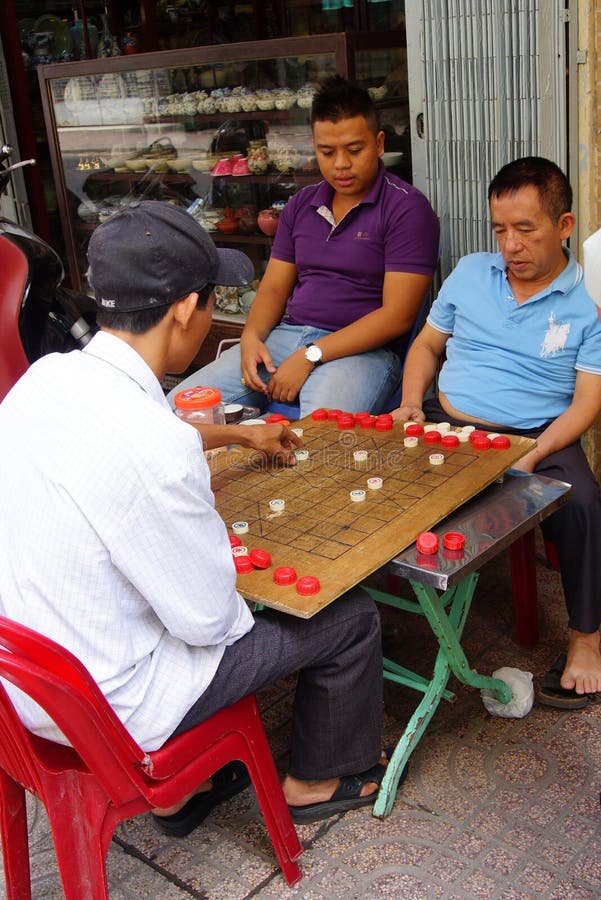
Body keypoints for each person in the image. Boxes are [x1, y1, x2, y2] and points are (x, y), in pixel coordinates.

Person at [0, 200, 389, 831]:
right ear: (185, 308)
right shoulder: (156, 444)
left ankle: (188, 789)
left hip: (23, 684)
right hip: (109, 706)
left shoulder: (42, 382)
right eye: (209, 301)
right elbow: (208, 621)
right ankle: (316, 780)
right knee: (347, 616)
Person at [391, 156, 601, 708]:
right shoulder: (469, 274)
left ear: (563, 225)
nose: (511, 245)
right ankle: (379, 615)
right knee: (376, 476)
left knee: (584, 505)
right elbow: (427, 346)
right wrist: (413, 402)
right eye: (501, 230)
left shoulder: (587, 306)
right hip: (447, 421)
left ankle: (587, 639)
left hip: (538, 433)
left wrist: (534, 454)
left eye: (526, 229)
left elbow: (586, 404)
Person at [169, 75, 440, 417]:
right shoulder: (302, 204)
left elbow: (396, 317)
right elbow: (272, 290)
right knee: (179, 412)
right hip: (285, 340)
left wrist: (312, 354)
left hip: (363, 353)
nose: (340, 164)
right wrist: (251, 338)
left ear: (379, 143)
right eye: (327, 152)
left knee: (318, 439)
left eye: (354, 150)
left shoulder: (407, 209)